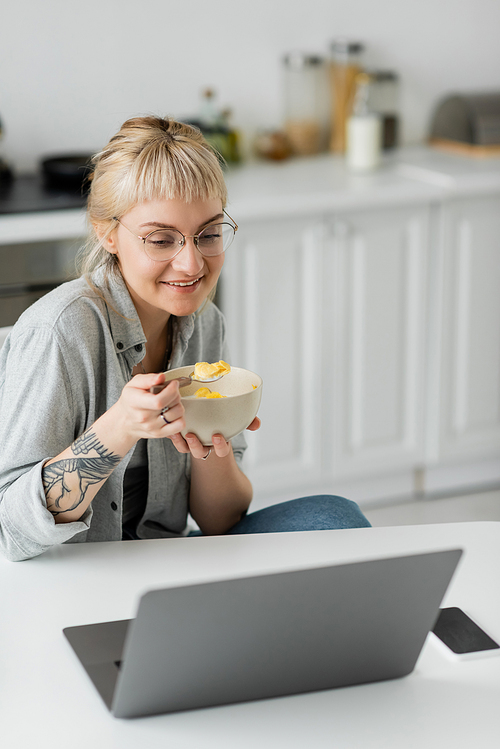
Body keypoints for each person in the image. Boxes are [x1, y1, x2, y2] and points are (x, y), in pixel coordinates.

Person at [0, 116, 370, 562]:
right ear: (108, 232)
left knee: (335, 519)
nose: (192, 264)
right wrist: (119, 428)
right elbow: (10, 532)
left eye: (208, 234)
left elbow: (220, 523)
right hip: (70, 570)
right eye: (161, 240)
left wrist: (213, 441)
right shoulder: (62, 331)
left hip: (161, 557)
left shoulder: (204, 324)